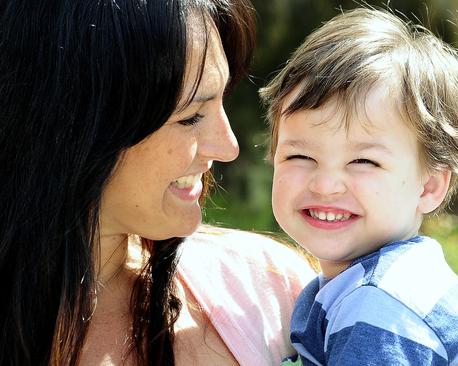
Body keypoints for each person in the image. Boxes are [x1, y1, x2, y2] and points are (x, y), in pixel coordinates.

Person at [0, 0, 315, 365]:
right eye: (191, 117)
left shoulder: (271, 291)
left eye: (221, 101)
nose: (228, 147)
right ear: (72, 127)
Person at [260, 8, 458, 365]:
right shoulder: (372, 284)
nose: (325, 184)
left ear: (429, 186)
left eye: (363, 161)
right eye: (300, 156)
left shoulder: (377, 306)